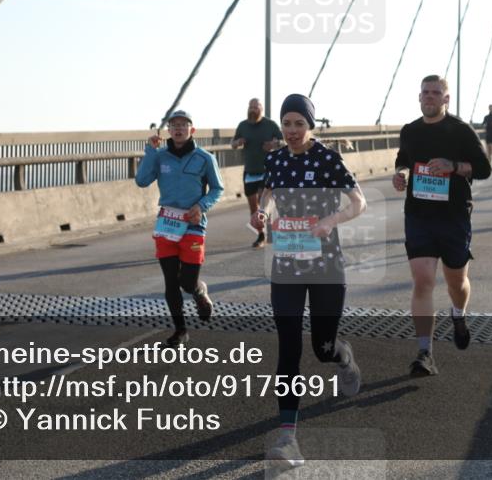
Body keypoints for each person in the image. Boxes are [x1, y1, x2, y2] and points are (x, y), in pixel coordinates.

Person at [251, 93, 366, 469]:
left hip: (326, 265)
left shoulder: (328, 159)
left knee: (322, 346)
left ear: (310, 126)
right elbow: (269, 195)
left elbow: (358, 202)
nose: (292, 130)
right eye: (287, 123)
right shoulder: (276, 159)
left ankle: (343, 357)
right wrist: (262, 214)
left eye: (299, 123)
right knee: (288, 346)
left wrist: (331, 221)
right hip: (287, 263)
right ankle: (288, 437)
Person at [393, 75, 492, 377]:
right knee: (423, 281)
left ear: (446, 99)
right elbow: (403, 160)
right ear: (419, 96)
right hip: (419, 215)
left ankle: (458, 314)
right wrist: (401, 175)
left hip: (453, 216)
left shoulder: (460, 131)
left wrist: (454, 166)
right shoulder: (410, 131)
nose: (430, 97)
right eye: (425, 92)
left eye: (436, 93)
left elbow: (484, 169)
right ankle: (425, 352)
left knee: (456, 282)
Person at [136, 110, 223, 347]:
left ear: (192, 130)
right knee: (171, 282)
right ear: (169, 130)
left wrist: (201, 206)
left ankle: (198, 290)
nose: (178, 128)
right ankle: (180, 331)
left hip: (193, 225)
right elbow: (141, 181)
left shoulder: (205, 158)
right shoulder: (160, 156)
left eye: (183, 125)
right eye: (174, 125)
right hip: (167, 223)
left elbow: (217, 189)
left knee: (187, 281)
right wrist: (150, 151)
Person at [232, 98, 283, 248]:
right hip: (249, 171)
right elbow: (232, 144)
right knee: (253, 207)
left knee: (263, 201)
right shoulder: (243, 126)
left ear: (261, 108)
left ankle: (268, 232)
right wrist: (238, 142)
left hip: (266, 170)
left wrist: (274, 144)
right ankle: (261, 234)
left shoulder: (270, 125)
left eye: (256, 107)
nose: (253, 110)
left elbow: (284, 142)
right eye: (251, 107)